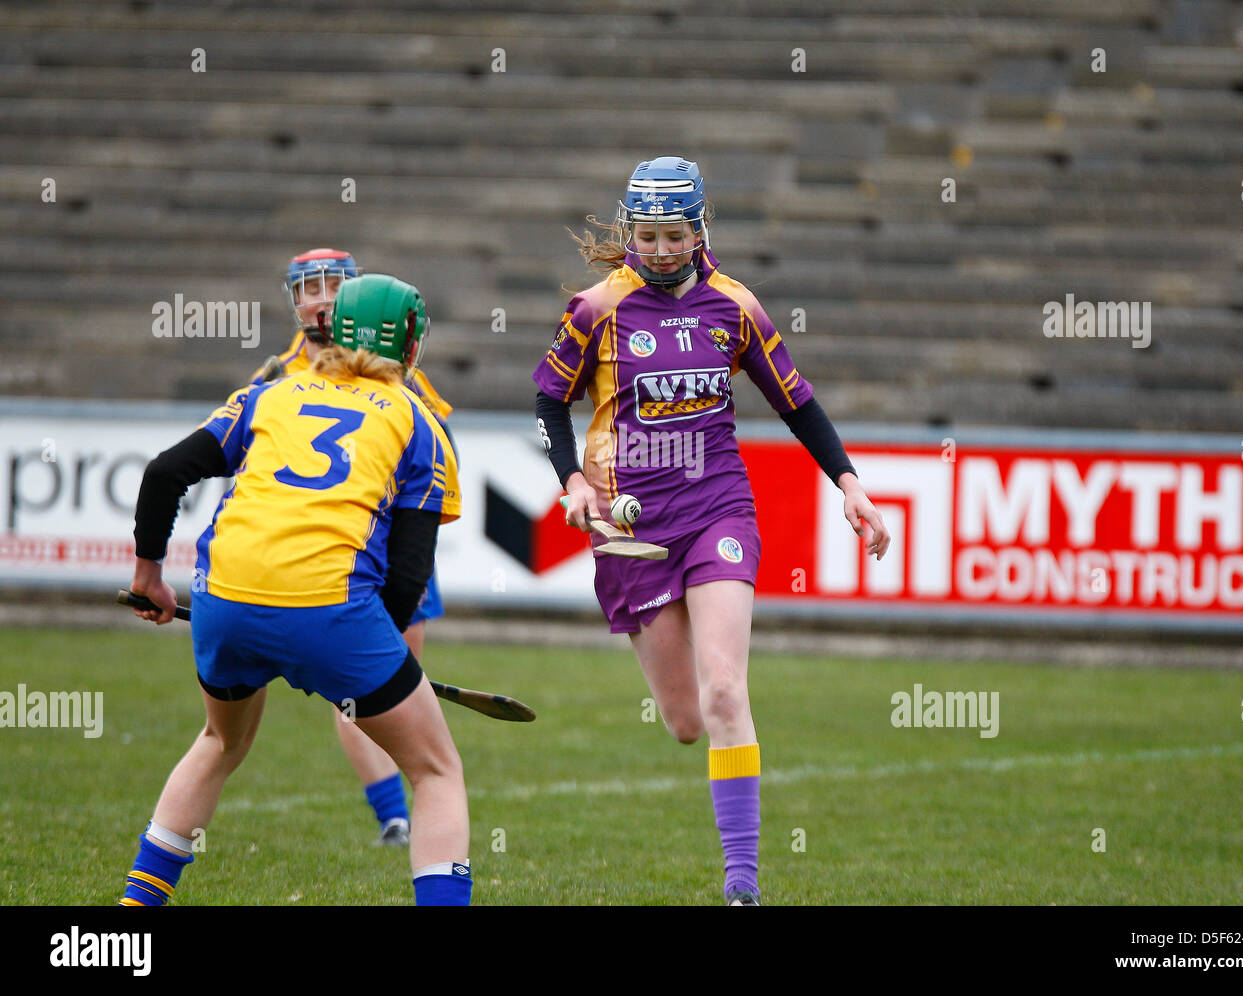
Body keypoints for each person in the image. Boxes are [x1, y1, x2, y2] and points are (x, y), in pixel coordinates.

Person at [533, 157, 890, 905]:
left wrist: (850, 486)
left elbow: (797, 404)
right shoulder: (597, 309)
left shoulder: (736, 306)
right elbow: (547, 401)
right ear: (631, 231)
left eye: (675, 235)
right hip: (631, 526)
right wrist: (569, 481)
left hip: (717, 508)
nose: (661, 250)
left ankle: (742, 886)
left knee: (727, 690)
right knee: (688, 721)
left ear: (701, 231)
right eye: (649, 235)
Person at [121, 274, 472, 906]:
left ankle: (131, 918)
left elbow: (164, 472)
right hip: (332, 614)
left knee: (219, 742)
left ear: (333, 330)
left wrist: (148, 576)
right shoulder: (422, 426)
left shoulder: (269, 396)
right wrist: (359, 667)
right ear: (412, 346)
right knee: (436, 770)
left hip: (224, 599)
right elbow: (409, 576)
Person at [251, 248, 458, 847]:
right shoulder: (275, 377)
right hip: (316, 549)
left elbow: (437, 442)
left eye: (332, 286)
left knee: (398, 677)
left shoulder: (400, 368)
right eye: (307, 287)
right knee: (350, 688)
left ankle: (420, 798)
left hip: (391, 540)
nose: (319, 298)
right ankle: (395, 816)